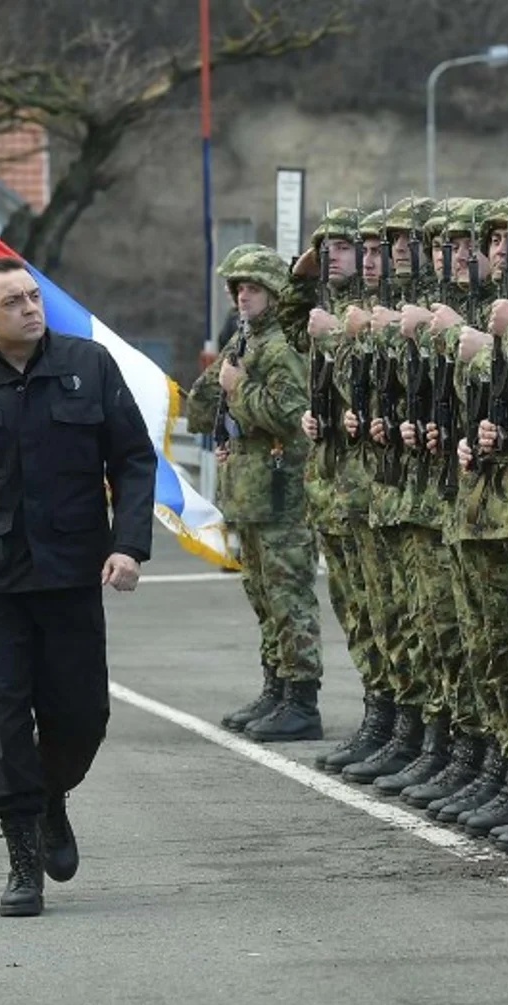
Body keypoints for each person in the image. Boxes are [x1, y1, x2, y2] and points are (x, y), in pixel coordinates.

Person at [0, 255, 157, 918]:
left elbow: (134, 460)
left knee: (82, 717)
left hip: (73, 574)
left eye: (33, 296)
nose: (30, 308)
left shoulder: (88, 367)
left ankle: (50, 796)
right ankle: (23, 858)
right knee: (6, 722)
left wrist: (128, 545)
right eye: (14, 301)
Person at [185, 244, 323, 743]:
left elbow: (297, 417)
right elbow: (202, 408)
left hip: (281, 492)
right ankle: (277, 686)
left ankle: (301, 699)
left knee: (289, 598)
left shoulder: (281, 344)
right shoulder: (244, 341)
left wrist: (239, 389)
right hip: (249, 491)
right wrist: (224, 395)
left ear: (274, 293)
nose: (243, 297)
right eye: (237, 288)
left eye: (254, 288)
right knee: (263, 597)